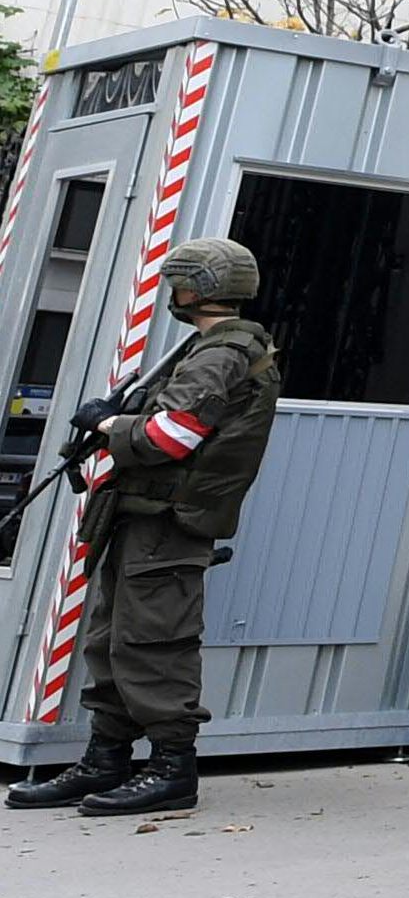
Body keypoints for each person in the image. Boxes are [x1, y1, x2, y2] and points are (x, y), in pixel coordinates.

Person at [4, 237, 279, 821]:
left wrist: (109, 422)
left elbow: (169, 437)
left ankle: (171, 769)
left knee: (157, 645)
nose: (171, 295)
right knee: (113, 641)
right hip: (142, 517)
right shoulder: (206, 347)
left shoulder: (219, 355)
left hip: (168, 523)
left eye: (178, 283)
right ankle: (107, 759)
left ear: (197, 288)